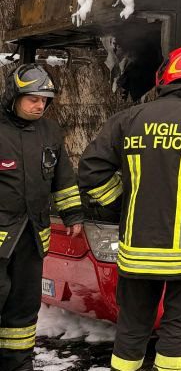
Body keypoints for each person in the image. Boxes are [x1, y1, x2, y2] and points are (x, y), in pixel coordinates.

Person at [79, 45, 181, 371]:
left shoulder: (128, 120)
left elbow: (90, 171)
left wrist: (119, 206)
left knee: (133, 325)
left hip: (136, 249)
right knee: (180, 324)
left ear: (164, 76)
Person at [0, 64, 83, 371]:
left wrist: (73, 214)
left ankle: (18, 365)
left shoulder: (49, 131)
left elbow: (63, 177)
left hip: (31, 240)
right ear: (14, 96)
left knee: (22, 311)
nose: (40, 105)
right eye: (32, 98)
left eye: (44, 99)